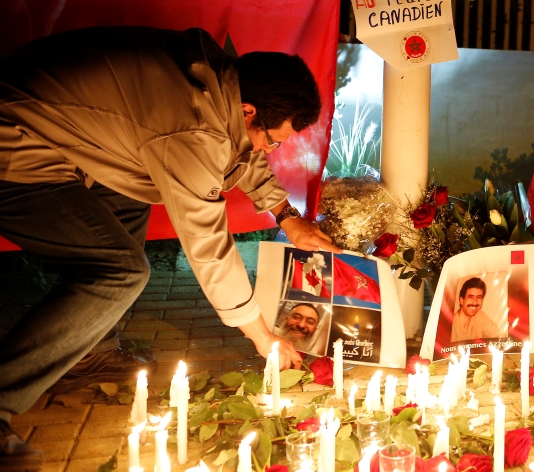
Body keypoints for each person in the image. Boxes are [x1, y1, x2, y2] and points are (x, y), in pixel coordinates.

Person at [0, 26, 340, 469]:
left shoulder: (221, 84)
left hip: (62, 142)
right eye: (273, 139)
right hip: (14, 148)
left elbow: (243, 147)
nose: (269, 149)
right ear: (249, 109)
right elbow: (207, 243)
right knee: (119, 271)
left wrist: (288, 217)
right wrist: (260, 334)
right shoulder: (191, 125)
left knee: (133, 191)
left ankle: (90, 351)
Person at [450, 277, 500, 342]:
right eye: (471, 297)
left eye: (479, 297)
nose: (475, 302)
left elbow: (497, 336)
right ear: (461, 300)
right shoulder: (450, 322)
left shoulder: (480, 316)